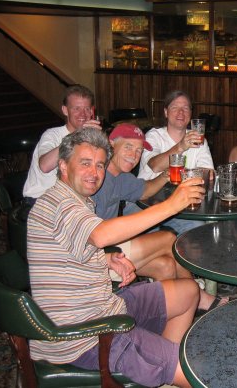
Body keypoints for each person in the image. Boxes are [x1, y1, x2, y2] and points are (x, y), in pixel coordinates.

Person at [27, 127, 204, 387]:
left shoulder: (76, 200)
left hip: (103, 306)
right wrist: (171, 205)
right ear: (63, 165)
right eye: (85, 163)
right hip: (85, 336)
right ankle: (168, 365)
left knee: (188, 291)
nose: (94, 172)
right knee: (197, 372)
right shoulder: (61, 204)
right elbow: (99, 236)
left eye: (100, 165)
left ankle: (162, 368)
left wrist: (106, 260)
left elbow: (74, 250)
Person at [92, 123, 227, 311]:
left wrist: (165, 175)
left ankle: (167, 314)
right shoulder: (95, 177)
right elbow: (91, 235)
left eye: (139, 150)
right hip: (94, 258)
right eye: (128, 147)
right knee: (168, 239)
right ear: (111, 143)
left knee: (166, 265)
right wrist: (172, 204)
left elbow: (146, 190)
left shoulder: (122, 178)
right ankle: (198, 296)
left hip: (108, 249)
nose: (134, 155)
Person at [137, 90, 214, 234]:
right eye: (175, 107)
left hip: (182, 205)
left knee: (199, 229)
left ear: (190, 114)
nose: (181, 112)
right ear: (166, 112)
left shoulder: (198, 139)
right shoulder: (153, 136)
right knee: (152, 237)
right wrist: (181, 146)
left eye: (185, 108)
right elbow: (155, 166)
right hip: (148, 203)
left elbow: (208, 174)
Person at [23, 84, 101, 202]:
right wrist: (77, 136)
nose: (83, 114)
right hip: (40, 200)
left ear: (92, 111)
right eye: (76, 108)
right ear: (65, 110)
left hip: (71, 199)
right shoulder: (52, 135)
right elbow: (44, 166)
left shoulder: (91, 138)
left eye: (87, 109)